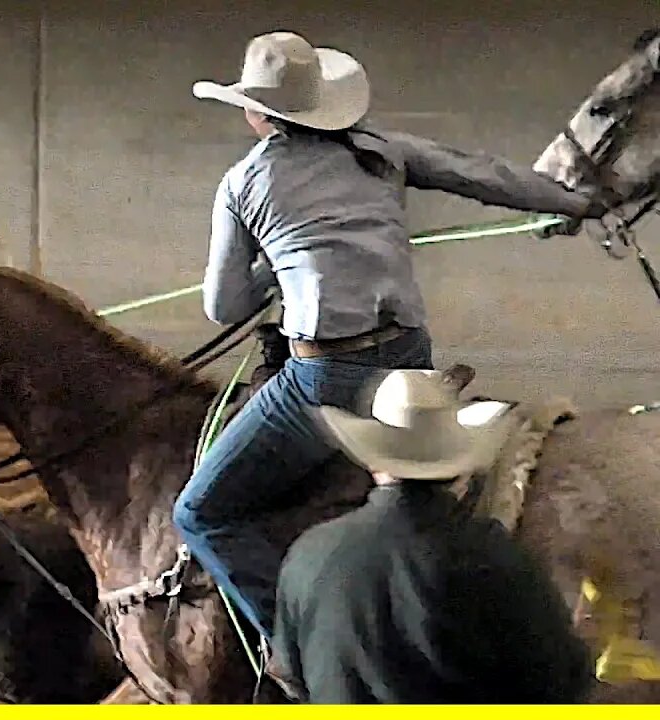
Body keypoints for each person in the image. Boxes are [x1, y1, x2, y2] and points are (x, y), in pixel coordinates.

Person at [172, 30, 610, 639]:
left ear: (254, 112)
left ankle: (300, 645)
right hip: (410, 358)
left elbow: (224, 308)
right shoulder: (381, 149)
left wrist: (273, 264)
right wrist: (575, 202)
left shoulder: (244, 184)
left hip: (323, 380)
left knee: (199, 512)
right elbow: (481, 175)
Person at [263, 369, 595, 703]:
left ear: (373, 460)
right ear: (457, 467)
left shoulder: (309, 554)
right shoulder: (494, 558)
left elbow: (291, 676)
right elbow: (561, 685)